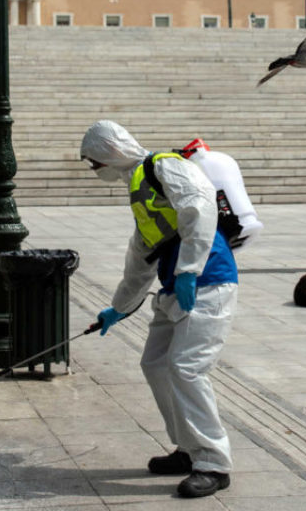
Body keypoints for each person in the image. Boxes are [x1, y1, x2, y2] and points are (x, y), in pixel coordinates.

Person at [80, 120, 239, 499]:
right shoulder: (140, 186)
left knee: (186, 367)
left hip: (208, 279)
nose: (94, 170)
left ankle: (213, 462)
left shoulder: (165, 166)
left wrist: (188, 270)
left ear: (110, 153)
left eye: (94, 162)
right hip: (176, 286)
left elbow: (200, 210)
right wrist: (117, 308)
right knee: (155, 363)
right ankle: (188, 447)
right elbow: (141, 254)